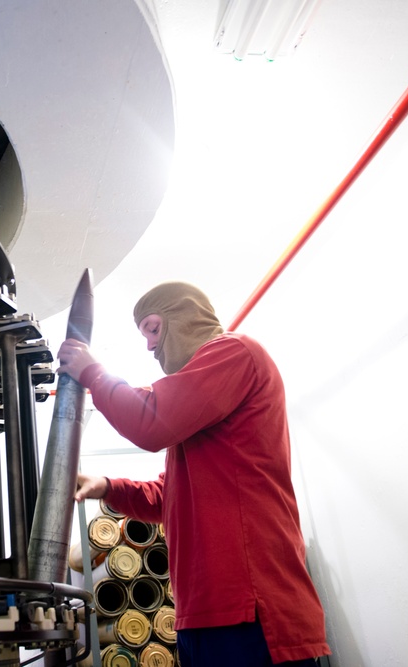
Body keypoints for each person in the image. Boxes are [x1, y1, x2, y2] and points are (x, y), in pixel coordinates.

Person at [56, 281, 330, 667]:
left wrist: (93, 374)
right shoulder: (198, 420)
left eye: (153, 329)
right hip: (204, 615)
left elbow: (150, 422)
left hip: (251, 611)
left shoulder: (235, 353)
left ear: (183, 317)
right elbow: (169, 497)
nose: (150, 346)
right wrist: (108, 487)